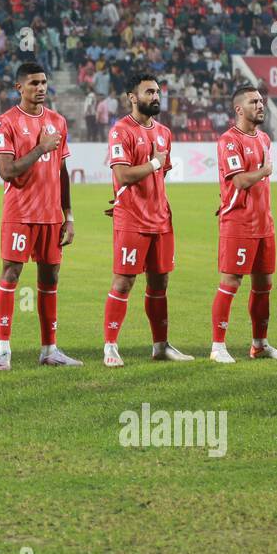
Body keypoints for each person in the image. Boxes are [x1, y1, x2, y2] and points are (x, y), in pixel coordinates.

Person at [0, 62, 82, 370]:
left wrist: (68, 215)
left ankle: (50, 350)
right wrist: (41, 148)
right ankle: (4, 349)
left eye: (44, 82)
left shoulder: (58, 121)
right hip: (20, 213)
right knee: (11, 275)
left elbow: (63, 170)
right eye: (33, 83)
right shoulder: (6, 122)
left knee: (50, 278)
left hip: (50, 216)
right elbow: (7, 171)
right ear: (20, 87)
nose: (41, 88)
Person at [102, 74, 193, 367]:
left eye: (158, 91)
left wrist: (150, 178)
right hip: (132, 220)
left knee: (159, 282)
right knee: (124, 281)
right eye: (149, 92)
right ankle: (111, 347)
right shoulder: (121, 131)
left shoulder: (164, 132)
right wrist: (152, 163)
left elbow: (159, 175)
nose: (156, 96)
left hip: (161, 219)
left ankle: (161, 346)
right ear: (132, 97)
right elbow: (123, 174)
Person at [209, 85, 277, 363]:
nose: (260, 105)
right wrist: (264, 171)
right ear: (238, 109)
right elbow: (240, 180)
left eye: (261, 100)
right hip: (238, 223)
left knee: (263, 284)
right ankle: (218, 346)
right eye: (253, 101)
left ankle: (260, 344)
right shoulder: (229, 141)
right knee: (231, 282)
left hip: (264, 224)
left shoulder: (265, 138)